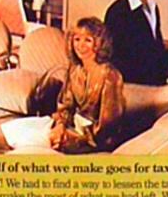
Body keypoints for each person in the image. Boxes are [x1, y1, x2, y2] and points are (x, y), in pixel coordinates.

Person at [49, 17, 126, 154]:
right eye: (77, 39)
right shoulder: (74, 70)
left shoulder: (110, 75)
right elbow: (65, 107)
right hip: (72, 129)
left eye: (88, 40)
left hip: (95, 140)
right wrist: (60, 126)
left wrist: (76, 138)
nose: (80, 46)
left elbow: (108, 127)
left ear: (100, 43)